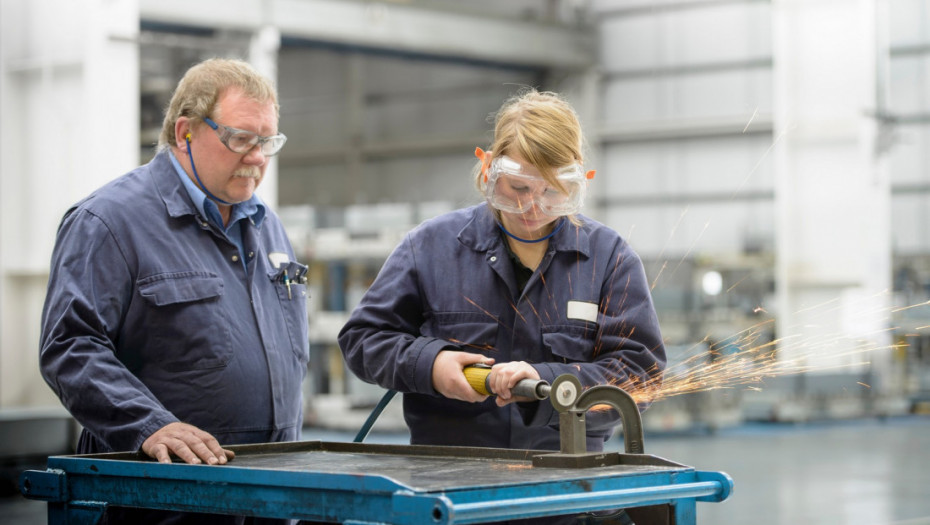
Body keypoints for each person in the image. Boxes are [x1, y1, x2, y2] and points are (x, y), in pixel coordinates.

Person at [39, 58, 308, 524]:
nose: (258, 157)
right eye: (241, 138)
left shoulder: (266, 227)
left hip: (272, 493)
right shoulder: (110, 222)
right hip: (163, 498)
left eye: (267, 141)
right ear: (185, 132)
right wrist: (149, 425)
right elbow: (70, 347)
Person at [338, 89, 666, 456]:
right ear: (489, 169)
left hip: (568, 487)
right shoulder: (431, 247)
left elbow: (642, 374)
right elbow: (363, 339)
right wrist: (431, 364)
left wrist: (550, 381)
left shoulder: (609, 258)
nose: (533, 207)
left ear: (576, 183)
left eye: (552, 192)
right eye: (518, 187)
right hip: (450, 481)